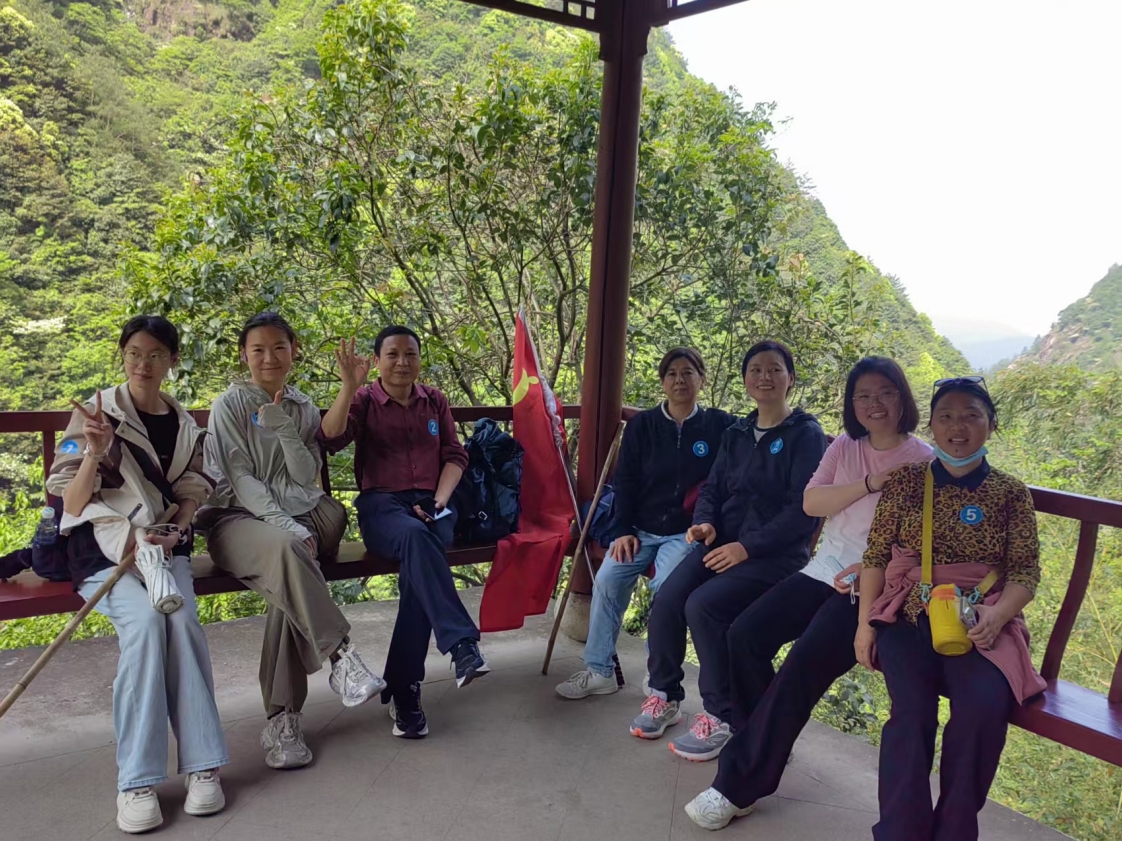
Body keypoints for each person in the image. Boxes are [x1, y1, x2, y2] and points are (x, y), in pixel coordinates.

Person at [684, 356, 932, 830]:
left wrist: (873, 569)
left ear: (903, 397)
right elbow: (812, 502)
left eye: (885, 393)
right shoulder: (845, 446)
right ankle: (762, 744)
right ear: (852, 404)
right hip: (822, 569)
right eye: (863, 395)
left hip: (872, 584)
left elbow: (924, 542)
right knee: (744, 635)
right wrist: (869, 484)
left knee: (801, 666)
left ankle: (740, 784)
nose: (874, 404)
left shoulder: (924, 460)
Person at [47, 316, 228, 834]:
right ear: (122, 355)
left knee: (182, 623)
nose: (142, 364)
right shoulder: (95, 414)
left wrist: (178, 527)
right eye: (133, 353)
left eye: (154, 355)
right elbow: (70, 500)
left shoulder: (184, 424)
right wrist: (94, 451)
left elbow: (193, 487)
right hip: (104, 555)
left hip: (163, 552)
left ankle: (203, 766)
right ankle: (137, 780)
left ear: (172, 360)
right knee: (147, 627)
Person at [857, 377, 1045, 841]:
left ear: (991, 424)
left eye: (970, 416)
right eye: (946, 416)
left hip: (983, 617)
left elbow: (1025, 572)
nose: (957, 427)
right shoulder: (907, 482)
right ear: (932, 426)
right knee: (912, 712)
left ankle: (954, 831)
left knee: (983, 709)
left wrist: (998, 617)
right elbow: (875, 557)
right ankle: (900, 832)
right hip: (909, 613)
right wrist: (865, 626)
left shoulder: (1009, 492)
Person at [197, 312, 384, 770]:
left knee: (291, 571)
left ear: (293, 350)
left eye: (279, 347)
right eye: (258, 349)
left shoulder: (302, 406)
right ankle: (340, 657)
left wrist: (282, 426)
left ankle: (285, 722)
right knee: (289, 554)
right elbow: (239, 478)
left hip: (305, 514)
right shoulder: (229, 405)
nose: (269, 357)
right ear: (244, 355)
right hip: (238, 520)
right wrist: (285, 524)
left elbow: (304, 475)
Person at [632, 340, 828, 761]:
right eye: (755, 369)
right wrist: (705, 523)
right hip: (723, 544)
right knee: (667, 598)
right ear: (745, 380)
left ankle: (722, 715)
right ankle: (664, 695)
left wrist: (747, 547)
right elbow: (713, 488)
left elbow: (803, 510)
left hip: (775, 556)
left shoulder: (806, 435)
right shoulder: (737, 432)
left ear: (791, 378)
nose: (764, 377)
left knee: (704, 606)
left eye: (774, 369)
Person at [319, 325, 488, 739]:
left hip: (435, 504)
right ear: (377, 361)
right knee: (416, 538)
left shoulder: (435, 400)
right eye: (392, 354)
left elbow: (454, 455)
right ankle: (460, 644)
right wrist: (347, 386)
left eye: (410, 354)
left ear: (419, 359)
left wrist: (439, 501)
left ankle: (404, 689)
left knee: (420, 566)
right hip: (383, 508)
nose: (402, 362)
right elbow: (330, 437)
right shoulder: (364, 400)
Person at [555, 348, 734, 700]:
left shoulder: (719, 426)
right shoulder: (643, 426)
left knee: (667, 588)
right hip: (638, 529)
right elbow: (625, 483)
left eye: (688, 372)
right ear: (663, 382)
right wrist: (622, 530)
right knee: (608, 579)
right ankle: (600, 671)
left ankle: (659, 674)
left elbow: (725, 479)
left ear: (701, 379)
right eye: (672, 374)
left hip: (685, 533)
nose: (680, 380)